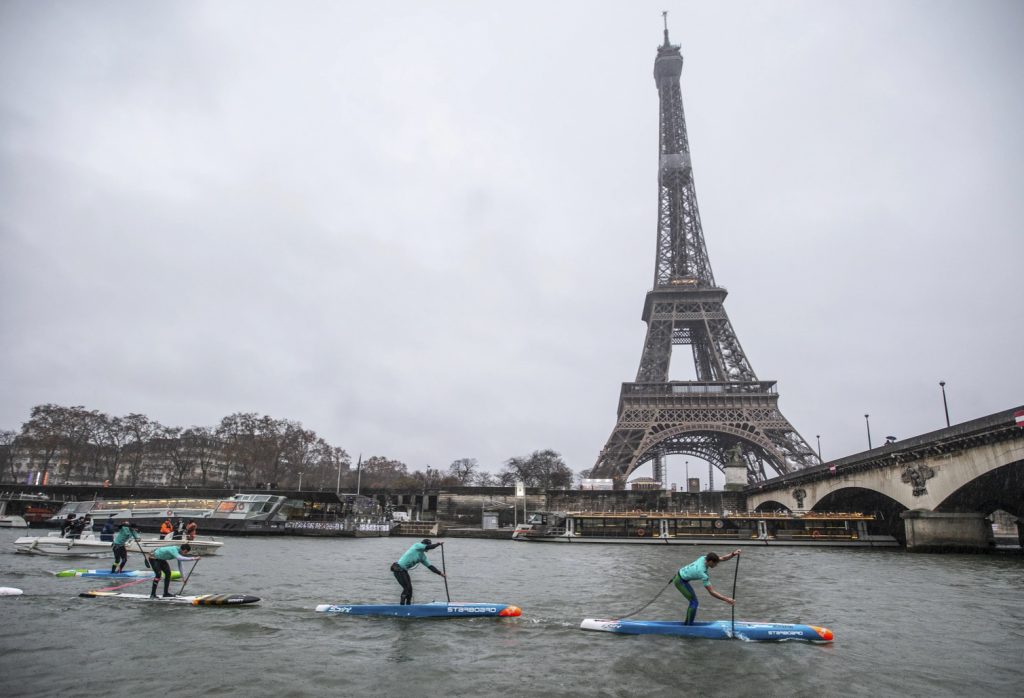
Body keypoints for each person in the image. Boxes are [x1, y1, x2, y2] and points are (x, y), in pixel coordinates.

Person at [674, 549, 741, 625]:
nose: (716, 565)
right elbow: (711, 592)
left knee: (694, 602)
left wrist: (733, 554)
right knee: (694, 602)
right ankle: (688, 626)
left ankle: (687, 623)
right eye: (715, 564)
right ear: (710, 562)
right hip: (680, 582)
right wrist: (726, 599)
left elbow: (722, 558)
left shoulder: (704, 558)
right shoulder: (702, 573)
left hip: (680, 574)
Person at [390, 538, 445, 605]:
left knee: (410, 590)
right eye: (427, 545)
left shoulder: (422, 557)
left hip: (404, 571)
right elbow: (429, 547)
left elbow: (430, 567)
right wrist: (438, 544)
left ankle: (408, 605)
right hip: (398, 568)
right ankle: (402, 606)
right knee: (406, 588)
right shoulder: (417, 545)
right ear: (424, 544)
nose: (428, 548)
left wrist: (440, 573)